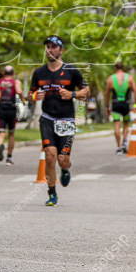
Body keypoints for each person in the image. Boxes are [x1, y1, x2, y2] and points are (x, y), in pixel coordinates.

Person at [29, 35, 89, 206]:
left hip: (66, 120)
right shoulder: (39, 72)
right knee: (50, 156)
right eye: (48, 47)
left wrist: (73, 94)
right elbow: (29, 95)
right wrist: (34, 96)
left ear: (61, 50)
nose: (50, 50)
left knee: (62, 159)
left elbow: (87, 91)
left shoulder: (71, 70)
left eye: (54, 47)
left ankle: (65, 169)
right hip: (47, 118)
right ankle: (52, 193)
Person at [104, 61, 136, 154]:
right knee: (126, 124)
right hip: (126, 104)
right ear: (123, 68)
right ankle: (124, 142)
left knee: (116, 124)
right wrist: (135, 105)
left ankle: (118, 147)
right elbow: (135, 91)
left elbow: (107, 93)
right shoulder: (129, 78)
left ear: (115, 68)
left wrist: (107, 106)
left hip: (115, 104)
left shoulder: (111, 78)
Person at [0, 65, 22, 165]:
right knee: (11, 133)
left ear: (3, 73)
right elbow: (19, 91)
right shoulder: (16, 82)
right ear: (13, 73)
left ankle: (1, 144)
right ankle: (9, 157)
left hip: (1, 109)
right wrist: (22, 97)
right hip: (11, 110)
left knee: (1, 132)